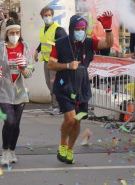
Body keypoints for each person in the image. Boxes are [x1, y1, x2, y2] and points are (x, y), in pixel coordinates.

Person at [47, 12, 114, 164]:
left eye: (83, 29)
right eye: (77, 29)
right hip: (65, 86)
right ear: (71, 29)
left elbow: (108, 44)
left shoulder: (89, 42)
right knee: (70, 118)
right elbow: (50, 64)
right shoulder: (61, 43)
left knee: (77, 121)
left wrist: (108, 29)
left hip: (82, 88)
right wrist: (67, 65)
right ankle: (63, 143)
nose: (80, 32)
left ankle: (70, 150)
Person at [0, 21, 33, 167]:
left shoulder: (25, 49)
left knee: (16, 124)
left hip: (20, 92)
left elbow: (29, 74)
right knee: (9, 121)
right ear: (6, 34)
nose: (14, 36)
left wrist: (24, 68)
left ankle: (12, 150)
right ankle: (5, 151)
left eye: (17, 33)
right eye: (11, 33)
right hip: (3, 91)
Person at [38, 6, 62, 114]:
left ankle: (58, 105)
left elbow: (63, 44)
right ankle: (53, 103)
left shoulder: (58, 29)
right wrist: (36, 51)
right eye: (45, 15)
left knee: (54, 84)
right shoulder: (43, 28)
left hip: (55, 61)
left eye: (49, 15)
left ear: (52, 16)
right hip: (46, 60)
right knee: (48, 83)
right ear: (42, 17)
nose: (47, 17)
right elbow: (44, 42)